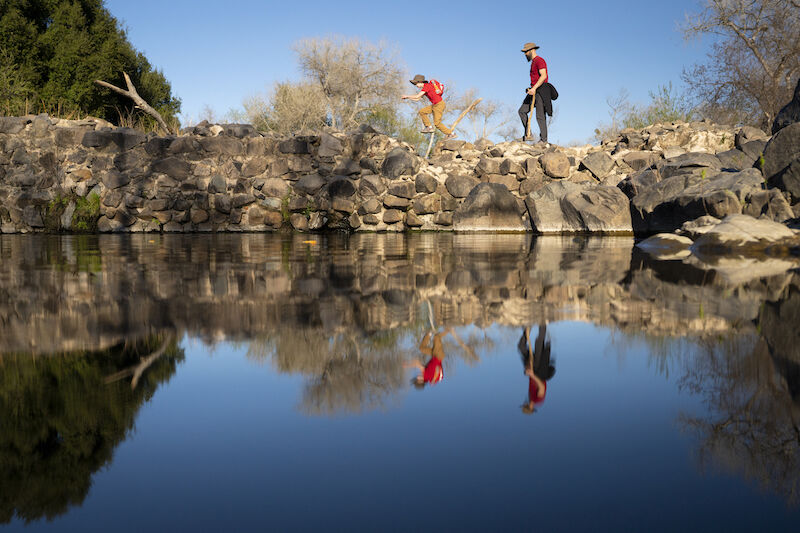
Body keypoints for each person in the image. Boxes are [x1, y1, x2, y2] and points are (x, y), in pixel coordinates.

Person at [518, 42, 557, 144]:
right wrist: (531, 89)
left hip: (541, 90)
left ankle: (543, 141)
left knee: (540, 116)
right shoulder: (533, 62)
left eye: (526, 52)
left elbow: (543, 76)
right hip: (533, 90)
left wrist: (534, 88)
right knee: (522, 111)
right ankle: (528, 134)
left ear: (532, 50)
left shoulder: (539, 60)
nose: (525, 54)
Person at [401, 74, 455, 138]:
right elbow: (418, 99)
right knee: (422, 111)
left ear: (420, 82)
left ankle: (451, 133)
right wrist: (408, 98)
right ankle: (429, 127)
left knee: (437, 123)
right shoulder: (426, 88)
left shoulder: (427, 86)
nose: (416, 85)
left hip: (439, 104)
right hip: (434, 105)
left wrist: (407, 96)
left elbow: (417, 96)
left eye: (416, 84)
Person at [518, 324, 555, 414]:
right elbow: (541, 387)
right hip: (539, 371)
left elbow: (532, 382)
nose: (525, 403)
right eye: (526, 405)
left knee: (521, 347)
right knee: (539, 344)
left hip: (533, 370)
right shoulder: (538, 400)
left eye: (524, 404)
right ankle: (542, 323)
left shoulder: (531, 396)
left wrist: (527, 370)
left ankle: (527, 330)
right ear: (530, 407)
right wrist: (532, 374)